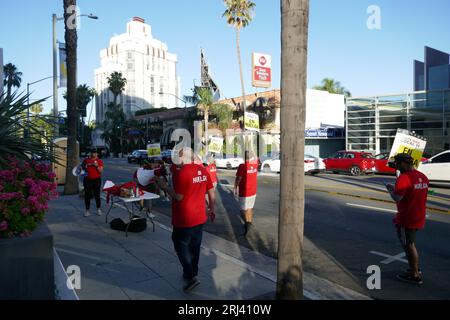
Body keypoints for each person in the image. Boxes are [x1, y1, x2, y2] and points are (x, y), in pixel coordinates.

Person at [155, 147, 216, 293]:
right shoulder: (202, 170)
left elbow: (178, 197)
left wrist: (164, 186)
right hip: (200, 216)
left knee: (180, 244)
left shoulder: (183, 173)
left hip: (184, 217)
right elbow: (211, 190)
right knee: (194, 247)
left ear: (183, 157)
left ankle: (192, 275)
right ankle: (190, 273)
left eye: (178, 156)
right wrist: (212, 208)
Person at [386, 153, 429, 285]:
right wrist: (396, 189)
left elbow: (397, 198)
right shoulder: (422, 176)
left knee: (409, 245)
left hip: (407, 218)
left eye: (398, 164)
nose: (397, 167)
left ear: (404, 163)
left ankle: (415, 273)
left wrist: (390, 190)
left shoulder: (404, 178)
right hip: (419, 216)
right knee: (410, 244)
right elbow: (412, 193)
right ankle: (414, 267)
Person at [234, 151, 258, 236]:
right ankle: (249, 223)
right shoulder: (255, 164)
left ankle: (248, 224)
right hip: (253, 191)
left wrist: (235, 187)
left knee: (242, 210)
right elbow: (255, 156)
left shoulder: (242, 166)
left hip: (245, 192)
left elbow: (238, 178)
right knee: (249, 208)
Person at [81, 149, 104, 217]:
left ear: (97, 154)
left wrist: (96, 166)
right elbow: (82, 169)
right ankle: (87, 210)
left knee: (97, 194)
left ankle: (98, 209)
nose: (93, 154)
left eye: (95, 153)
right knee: (87, 195)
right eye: (92, 153)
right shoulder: (86, 160)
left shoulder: (99, 161)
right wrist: (84, 168)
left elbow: (100, 171)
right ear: (90, 153)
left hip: (96, 180)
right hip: (87, 180)